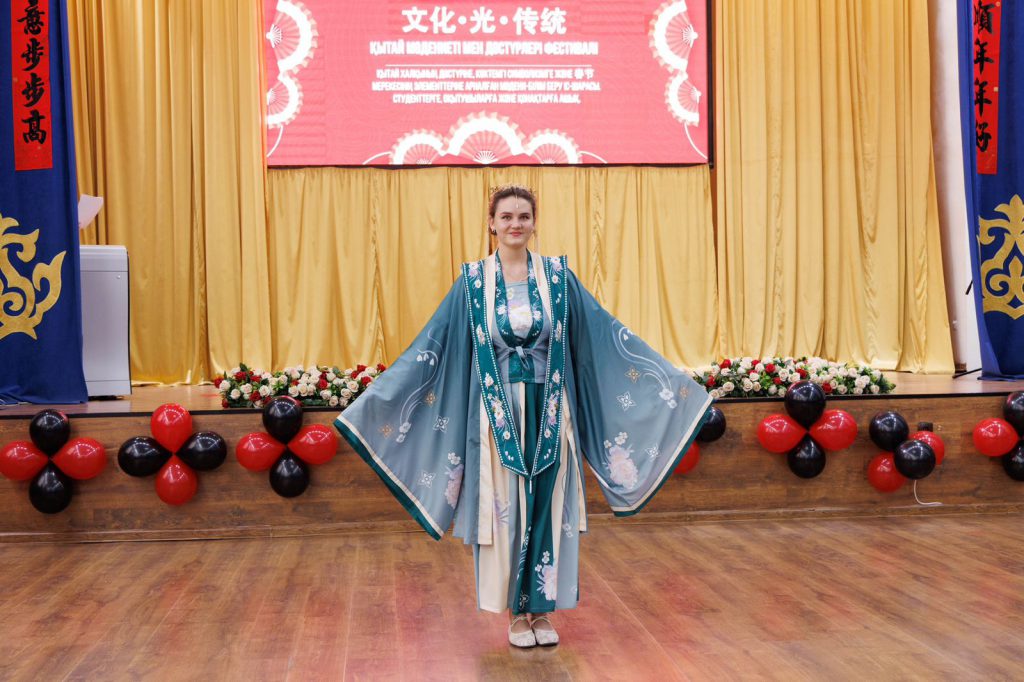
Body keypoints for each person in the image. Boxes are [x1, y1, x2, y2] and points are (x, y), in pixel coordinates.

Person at [335, 185, 713, 648]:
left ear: (535, 222)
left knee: (549, 503)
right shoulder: (473, 282)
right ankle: (516, 613)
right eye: (507, 216)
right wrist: (376, 401)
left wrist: (672, 386)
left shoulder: (558, 277)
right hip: (496, 416)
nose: (516, 224)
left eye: (524, 216)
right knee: (506, 506)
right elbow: (433, 345)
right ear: (491, 223)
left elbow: (601, 334)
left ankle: (542, 609)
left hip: (551, 407)